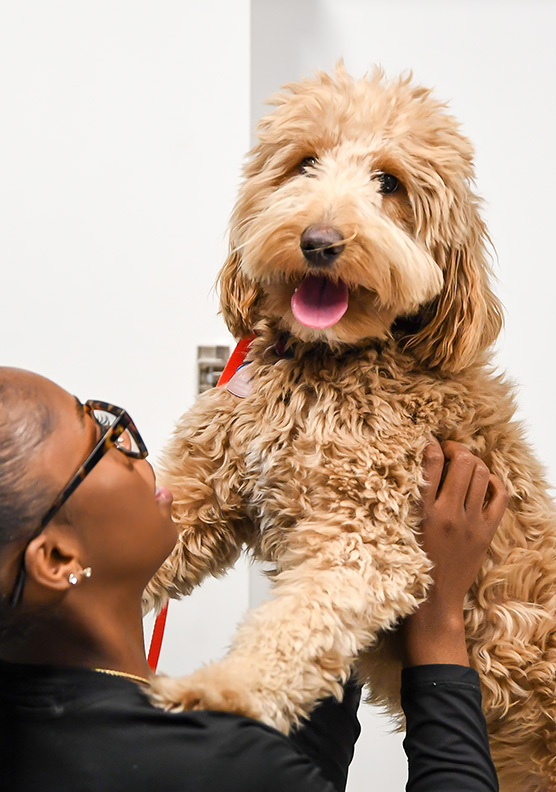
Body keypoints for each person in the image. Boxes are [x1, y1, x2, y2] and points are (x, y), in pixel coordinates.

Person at [0, 367, 508, 791]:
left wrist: (339, 553)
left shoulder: (43, 726)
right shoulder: (212, 762)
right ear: (58, 558)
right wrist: (439, 622)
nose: (133, 445)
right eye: (102, 443)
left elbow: (304, 771)